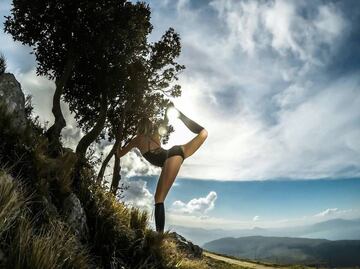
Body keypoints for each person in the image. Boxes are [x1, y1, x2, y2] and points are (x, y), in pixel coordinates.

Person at [116, 104, 208, 233]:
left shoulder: (136, 140)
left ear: (139, 127)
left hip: (170, 157)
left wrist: (118, 142)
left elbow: (119, 154)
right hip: (175, 152)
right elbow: (165, 122)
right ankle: (180, 115)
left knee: (159, 199)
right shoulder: (155, 134)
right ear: (149, 126)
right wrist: (167, 111)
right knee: (203, 133)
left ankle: (160, 236)